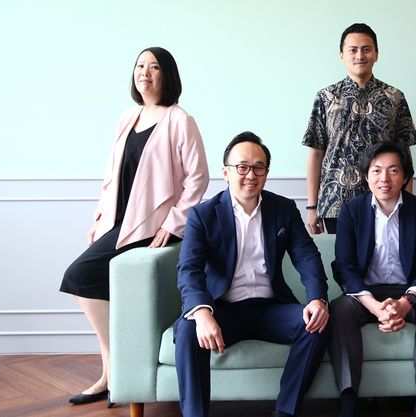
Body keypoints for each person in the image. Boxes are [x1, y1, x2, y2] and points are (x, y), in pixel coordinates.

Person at [60, 46, 209, 406]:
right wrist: (99, 217)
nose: (145, 72)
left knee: (79, 275)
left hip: (150, 226)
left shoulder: (180, 120)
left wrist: (173, 222)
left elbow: (198, 178)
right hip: (118, 222)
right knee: (89, 282)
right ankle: (112, 372)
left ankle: (116, 372)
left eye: (154, 67)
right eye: (140, 66)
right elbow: (112, 176)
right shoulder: (127, 117)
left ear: (167, 75)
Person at [174, 132, 330, 417]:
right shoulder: (203, 215)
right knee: (187, 328)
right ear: (226, 172)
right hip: (224, 309)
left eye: (259, 167)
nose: (250, 175)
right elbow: (189, 269)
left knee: (317, 323)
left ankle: (285, 411)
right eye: (242, 167)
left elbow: (307, 256)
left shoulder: (282, 209)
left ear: (266, 173)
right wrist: (202, 312)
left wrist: (317, 299)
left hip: (270, 308)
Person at [329, 142, 416, 417]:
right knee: (339, 309)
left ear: (405, 176)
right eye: (377, 170)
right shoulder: (351, 211)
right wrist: (375, 307)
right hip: (365, 295)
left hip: (409, 292)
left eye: (393, 170)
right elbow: (344, 267)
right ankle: (348, 399)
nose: (384, 178)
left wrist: (405, 303)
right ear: (366, 175)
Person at [303, 22, 416, 235]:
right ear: (341, 55)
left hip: (385, 199)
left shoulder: (394, 97)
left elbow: (405, 156)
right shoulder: (326, 97)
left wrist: (408, 203)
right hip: (335, 201)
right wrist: (312, 207)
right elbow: (316, 152)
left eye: (366, 49)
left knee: (384, 255)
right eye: (353, 50)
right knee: (342, 256)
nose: (360, 55)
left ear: (376, 54)